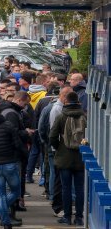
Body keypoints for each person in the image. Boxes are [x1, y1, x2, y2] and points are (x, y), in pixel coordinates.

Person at [50, 92, 86, 226]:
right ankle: (79, 217)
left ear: (66, 102)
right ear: (78, 102)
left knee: (66, 188)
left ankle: (66, 216)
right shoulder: (84, 116)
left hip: (64, 157)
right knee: (79, 188)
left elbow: (52, 136)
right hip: (81, 157)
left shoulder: (61, 117)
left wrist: (58, 147)